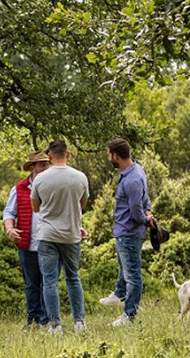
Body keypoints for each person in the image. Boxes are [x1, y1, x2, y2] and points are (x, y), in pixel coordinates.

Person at [31, 139, 90, 336]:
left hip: (47, 235)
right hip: (71, 235)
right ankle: (79, 322)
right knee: (73, 277)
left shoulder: (40, 179)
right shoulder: (80, 177)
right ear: (68, 154)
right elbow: (82, 204)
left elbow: (35, 207)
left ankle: (55, 325)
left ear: (49, 156)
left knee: (49, 281)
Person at [100, 138, 154, 327]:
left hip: (129, 232)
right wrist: (148, 212)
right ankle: (119, 293)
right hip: (125, 231)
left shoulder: (131, 179)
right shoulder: (134, 170)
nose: (109, 158)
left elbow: (136, 210)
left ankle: (129, 316)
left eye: (109, 154)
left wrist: (146, 219)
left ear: (115, 155)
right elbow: (145, 200)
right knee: (125, 266)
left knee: (133, 274)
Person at [3, 152, 50, 329]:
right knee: (31, 284)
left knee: (48, 282)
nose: (45, 168)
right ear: (32, 168)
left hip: (48, 243)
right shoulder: (19, 188)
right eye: (41, 165)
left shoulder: (52, 186)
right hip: (27, 244)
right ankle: (33, 319)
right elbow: (9, 212)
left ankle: (47, 320)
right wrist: (10, 228)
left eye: (47, 164)